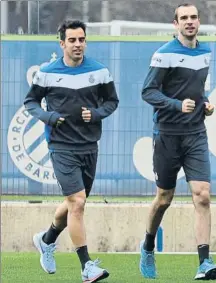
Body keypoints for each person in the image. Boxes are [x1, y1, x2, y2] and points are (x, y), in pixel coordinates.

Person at [24, 20, 119, 283]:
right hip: (60, 145)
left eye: (82, 39)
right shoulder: (47, 73)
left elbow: (112, 101)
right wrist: (47, 116)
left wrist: (97, 114)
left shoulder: (100, 72)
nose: (78, 44)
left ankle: (46, 240)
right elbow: (30, 101)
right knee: (77, 202)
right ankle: (87, 266)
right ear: (62, 43)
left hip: (89, 146)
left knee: (73, 203)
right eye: (72, 40)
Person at [139, 3, 216, 281]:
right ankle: (148, 246)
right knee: (164, 199)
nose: (190, 22)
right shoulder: (163, 55)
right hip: (167, 135)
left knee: (203, 195)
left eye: (193, 17)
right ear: (175, 24)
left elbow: (199, 90)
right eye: (184, 18)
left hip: (196, 133)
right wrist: (176, 104)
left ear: (199, 21)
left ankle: (204, 262)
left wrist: (206, 104)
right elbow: (147, 92)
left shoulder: (205, 52)